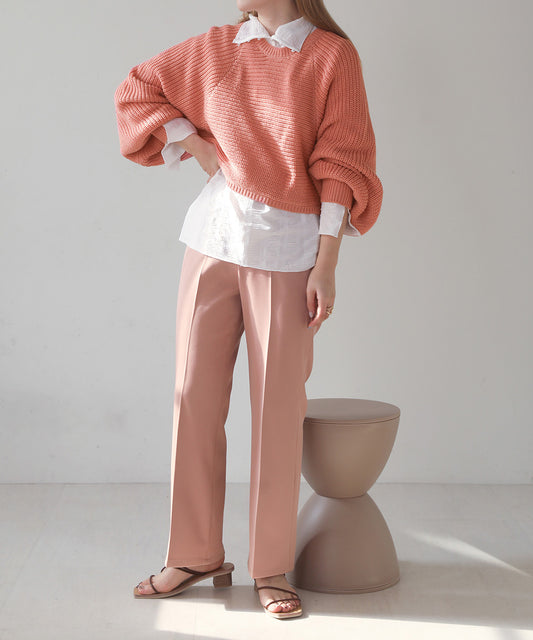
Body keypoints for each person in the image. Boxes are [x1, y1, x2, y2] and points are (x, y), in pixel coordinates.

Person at [114, 0, 383, 620]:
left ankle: (270, 566)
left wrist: (326, 263)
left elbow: (341, 161)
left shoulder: (330, 56)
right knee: (191, 399)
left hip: (287, 253)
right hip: (210, 243)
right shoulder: (217, 45)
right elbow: (138, 87)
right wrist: (197, 146)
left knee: (276, 412)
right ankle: (194, 554)